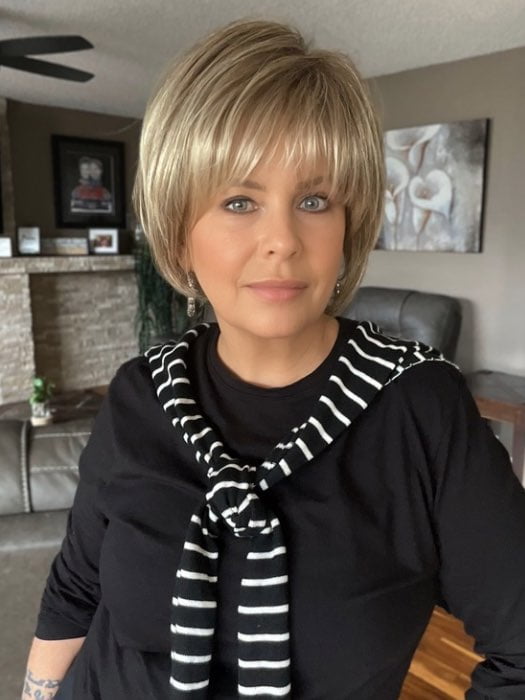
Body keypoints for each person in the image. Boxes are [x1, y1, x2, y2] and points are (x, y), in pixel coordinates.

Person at [22, 19, 525, 700]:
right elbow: (77, 588)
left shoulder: (420, 407)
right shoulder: (141, 391)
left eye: (314, 201)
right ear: (178, 230)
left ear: (347, 223)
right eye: (239, 201)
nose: (282, 240)